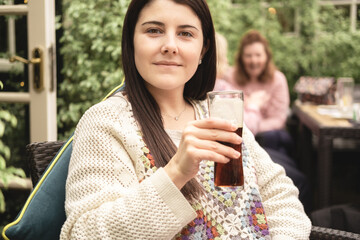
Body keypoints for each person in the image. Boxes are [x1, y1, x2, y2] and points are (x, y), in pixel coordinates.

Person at [60, 1, 311, 239]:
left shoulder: (219, 114)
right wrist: (176, 172)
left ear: (203, 49)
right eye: (154, 30)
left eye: (185, 34)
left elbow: (282, 199)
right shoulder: (106, 122)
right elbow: (83, 232)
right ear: (131, 42)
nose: (170, 45)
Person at [214, 31, 312, 213]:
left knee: (273, 137)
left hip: (267, 137)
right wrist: (253, 109)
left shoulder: (278, 79)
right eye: (248, 55)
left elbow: (278, 119)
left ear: (266, 57)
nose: (253, 60)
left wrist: (254, 124)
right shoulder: (229, 78)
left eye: (258, 55)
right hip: (242, 136)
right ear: (241, 58)